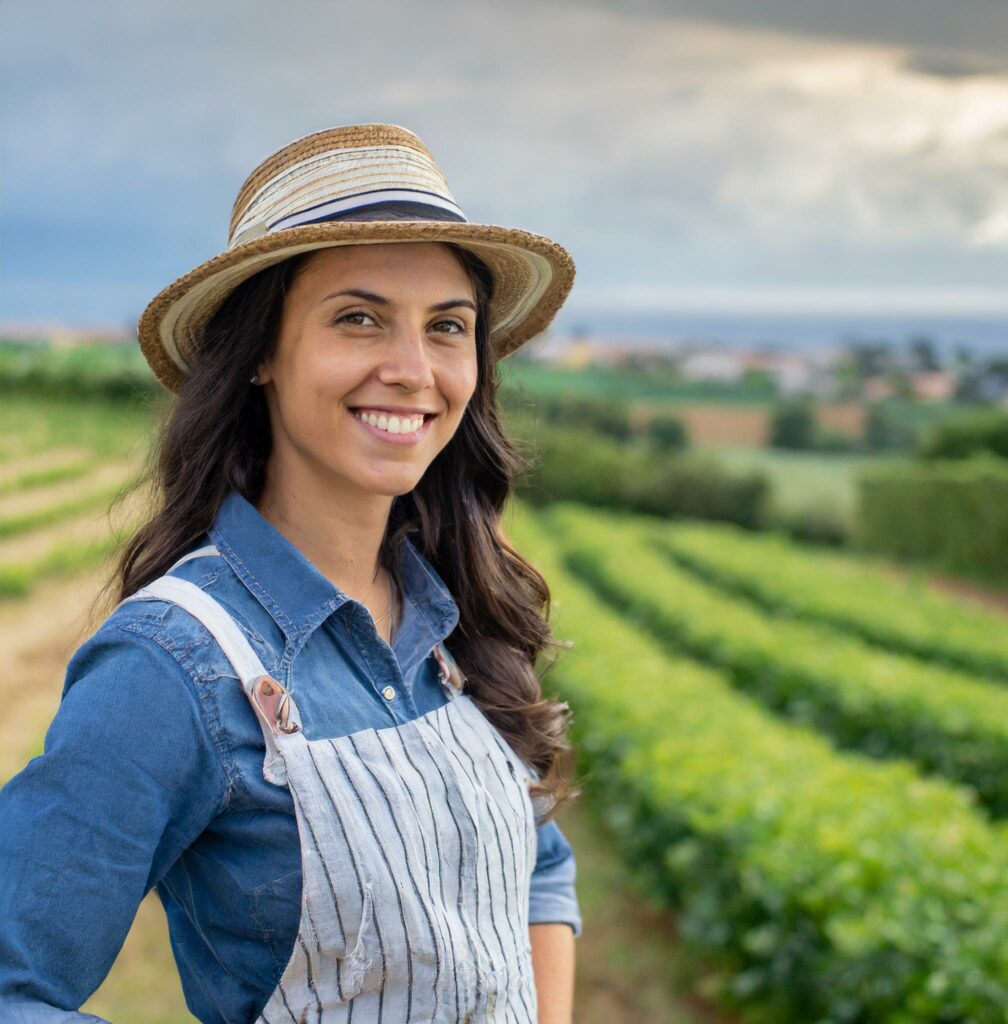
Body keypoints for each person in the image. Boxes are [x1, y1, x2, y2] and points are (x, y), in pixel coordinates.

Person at [0, 123, 583, 1023]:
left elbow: (538, 866)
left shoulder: (458, 615)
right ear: (262, 353)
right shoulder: (171, 665)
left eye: (448, 328)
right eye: (359, 317)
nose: (412, 369)